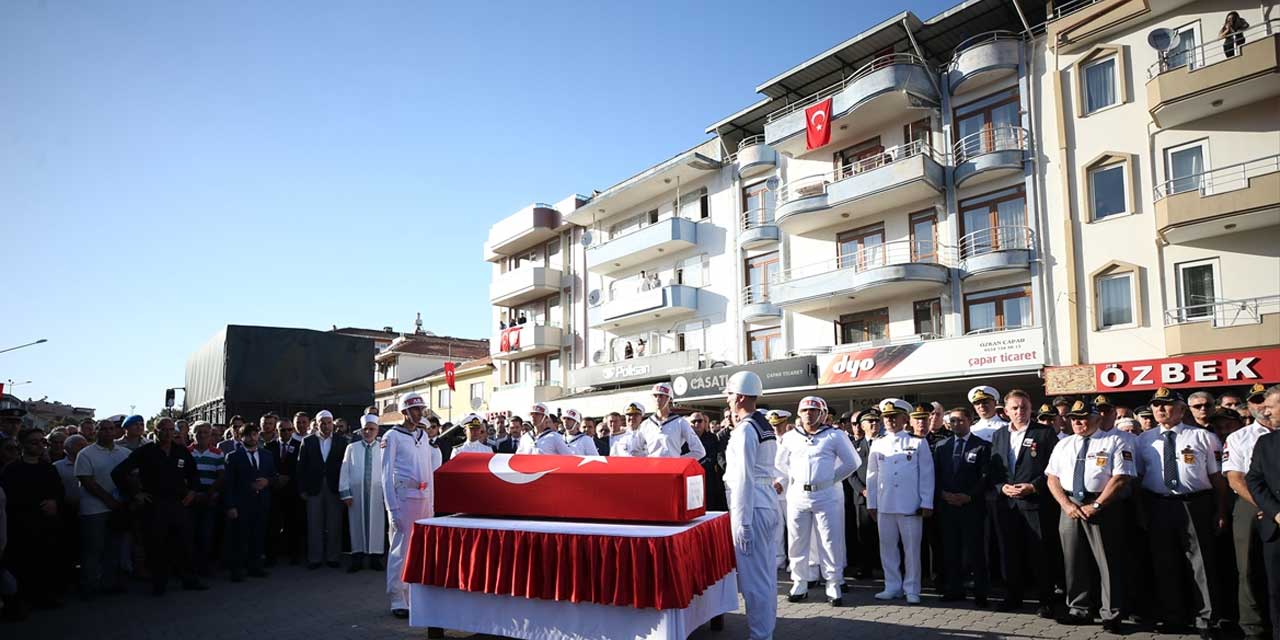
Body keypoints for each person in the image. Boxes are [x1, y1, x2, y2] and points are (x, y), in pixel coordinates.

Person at [1135, 387, 1227, 637]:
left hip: (1194, 504)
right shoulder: (1144, 440)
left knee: (1201, 564)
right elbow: (1139, 478)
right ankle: (1174, 616)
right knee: (1165, 563)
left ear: (1181, 409)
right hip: (1158, 504)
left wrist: (1221, 511)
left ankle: (1207, 618)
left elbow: (1217, 479)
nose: (1160, 409)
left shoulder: (1202, 437)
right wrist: (1142, 512)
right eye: (1156, 405)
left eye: (1166, 404)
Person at [1045, 399, 1135, 631]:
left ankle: (1111, 613)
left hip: (1104, 506)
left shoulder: (1116, 440)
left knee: (1108, 561)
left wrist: (1097, 505)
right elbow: (1052, 478)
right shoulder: (1063, 444)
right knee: (1073, 560)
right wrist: (1066, 504)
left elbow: (1121, 477)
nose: (1077, 422)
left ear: (1096, 418)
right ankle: (1079, 609)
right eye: (1073, 418)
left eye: (1083, 418)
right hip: (1071, 505)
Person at [109, 417, 207, 596]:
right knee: (156, 545)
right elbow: (118, 473)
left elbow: (193, 475)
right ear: (156, 432)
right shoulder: (145, 452)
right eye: (165, 430)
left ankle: (189, 579)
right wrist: (135, 494)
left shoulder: (181, 451)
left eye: (172, 430)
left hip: (179, 504)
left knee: (184, 543)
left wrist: (192, 492)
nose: (169, 433)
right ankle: (159, 583)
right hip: (155, 505)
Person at [776, 396, 858, 607]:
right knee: (796, 540)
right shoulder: (791, 436)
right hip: (798, 495)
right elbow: (779, 463)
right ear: (799, 413)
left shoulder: (834, 435)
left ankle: (832, 582)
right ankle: (799, 582)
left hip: (826, 495)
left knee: (830, 540)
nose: (809, 414)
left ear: (822, 414)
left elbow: (852, 462)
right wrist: (794, 478)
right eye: (805, 410)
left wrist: (831, 478)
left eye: (813, 410)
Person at [986, 389, 1059, 617]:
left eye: (1024, 407)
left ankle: (1046, 600)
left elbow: (1054, 468)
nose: (1020, 412)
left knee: (1039, 552)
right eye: (1015, 408)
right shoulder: (999, 435)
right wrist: (1001, 487)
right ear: (1006, 411)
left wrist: (1034, 486)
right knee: (1009, 552)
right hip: (1007, 504)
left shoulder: (1045, 433)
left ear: (1031, 409)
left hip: (1034, 503)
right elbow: (994, 468)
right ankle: (1013, 596)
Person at [722, 371, 780, 640]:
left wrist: (742, 523)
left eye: (730, 394)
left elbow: (743, 476)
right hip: (765, 501)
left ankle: (760, 635)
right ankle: (764, 632)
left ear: (741, 396)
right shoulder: (761, 424)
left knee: (754, 581)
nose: (728, 399)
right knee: (766, 577)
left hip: (752, 505)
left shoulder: (747, 429)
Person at [383, 392, 443, 627]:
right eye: (415, 409)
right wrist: (392, 508)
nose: (420, 413)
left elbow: (428, 469)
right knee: (400, 548)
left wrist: (433, 501)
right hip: (403, 498)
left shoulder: (422, 436)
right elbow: (387, 474)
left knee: (420, 548)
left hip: (423, 497)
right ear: (405, 412)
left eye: (421, 409)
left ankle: (413, 594)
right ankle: (397, 596)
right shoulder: (392, 436)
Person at [866, 398, 933, 604]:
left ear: (905, 418)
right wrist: (872, 504)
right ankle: (892, 586)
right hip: (885, 505)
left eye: (894, 417)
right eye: (886, 417)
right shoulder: (878, 443)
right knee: (887, 547)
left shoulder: (917, 442)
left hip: (910, 505)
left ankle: (912, 588)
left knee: (911, 549)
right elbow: (872, 475)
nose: (889, 420)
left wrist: (926, 502)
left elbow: (927, 475)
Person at [1223, 398, 1276, 640]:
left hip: (1273, 503)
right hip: (1249, 504)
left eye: (1267, 403)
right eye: (1256, 403)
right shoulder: (1238, 437)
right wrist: (1265, 505)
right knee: (1247, 567)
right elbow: (1235, 478)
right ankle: (1253, 626)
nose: (1263, 409)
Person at [0, 427, 65, 611]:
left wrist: (54, 502)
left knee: (45, 562)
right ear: (23, 445)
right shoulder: (11, 470)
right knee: (22, 562)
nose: (39, 446)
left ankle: (44, 595)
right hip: (21, 525)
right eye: (33, 442)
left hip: (46, 524)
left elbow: (59, 490)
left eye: (41, 442)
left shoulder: (48, 468)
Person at [933, 406, 990, 607]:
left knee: (975, 551)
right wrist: (942, 494)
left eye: (960, 420)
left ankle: (981, 592)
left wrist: (968, 496)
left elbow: (985, 477)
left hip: (971, 507)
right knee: (951, 550)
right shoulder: (941, 446)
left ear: (970, 421)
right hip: (948, 506)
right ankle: (954, 589)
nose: (956, 424)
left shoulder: (982, 446)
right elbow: (935, 475)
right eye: (953, 421)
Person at [75, 419, 130, 598]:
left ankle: (109, 583)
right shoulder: (85, 454)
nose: (107, 432)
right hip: (94, 510)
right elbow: (87, 481)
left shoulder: (124, 453)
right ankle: (89, 586)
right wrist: (108, 500)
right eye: (103, 429)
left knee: (113, 547)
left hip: (118, 509)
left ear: (116, 431)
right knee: (93, 549)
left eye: (111, 429)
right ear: (96, 431)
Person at [1245, 385, 1280, 638]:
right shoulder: (1265, 443)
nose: (1265, 413)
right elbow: (1254, 480)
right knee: (1277, 592)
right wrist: (1275, 512)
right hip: (1275, 528)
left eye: (1270, 407)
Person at [223, 422, 275, 582]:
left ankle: (255, 567)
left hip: (262, 502)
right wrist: (231, 506)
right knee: (239, 538)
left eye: (254, 434)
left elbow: (273, 475)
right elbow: (229, 483)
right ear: (241, 436)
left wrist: (267, 481)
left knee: (258, 536)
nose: (252, 438)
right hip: (242, 503)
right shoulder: (233, 456)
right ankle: (237, 570)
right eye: (248, 435)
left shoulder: (267, 455)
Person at [297, 409, 348, 569]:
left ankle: (333, 557)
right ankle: (315, 558)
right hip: (314, 488)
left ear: (332, 424)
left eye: (328, 423)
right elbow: (301, 467)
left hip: (334, 487)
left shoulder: (341, 441)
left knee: (334, 523)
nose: (326, 426)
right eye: (322, 423)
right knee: (314, 524)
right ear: (317, 424)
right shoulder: (308, 441)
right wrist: (302, 489)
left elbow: (346, 467)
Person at [339, 414, 386, 573]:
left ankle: (375, 558)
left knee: (377, 525)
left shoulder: (383, 448)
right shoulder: (352, 447)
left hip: (377, 493)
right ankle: (357, 557)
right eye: (365, 429)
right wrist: (346, 493)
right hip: (356, 494)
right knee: (356, 524)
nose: (368, 432)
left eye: (371, 429)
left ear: (377, 430)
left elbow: (388, 471)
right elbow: (344, 471)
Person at [186, 421, 223, 578]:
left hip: (209, 496)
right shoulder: (186, 452)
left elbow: (221, 476)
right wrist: (192, 493)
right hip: (190, 498)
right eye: (198, 432)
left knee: (206, 534)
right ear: (192, 434)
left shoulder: (218, 453)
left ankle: (204, 567)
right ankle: (189, 568)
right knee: (189, 534)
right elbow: (182, 476)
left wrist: (210, 493)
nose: (201, 435)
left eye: (205, 433)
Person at [846, 408, 880, 579]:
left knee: (884, 534)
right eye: (870, 422)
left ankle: (882, 567)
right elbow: (850, 473)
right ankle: (866, 567)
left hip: (884, 496)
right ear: (862, 425)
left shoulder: (885, 443)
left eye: (876, 421)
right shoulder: (855, 446)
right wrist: (863, 490)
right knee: (864, 534)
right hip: (862, 497)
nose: (874, 424)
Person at [641, 383, 705, 460]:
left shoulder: (680, 422)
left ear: (669, 399)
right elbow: (638, 450)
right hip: (651, 470)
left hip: (672, 470)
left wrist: (677, 462)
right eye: (655, 396)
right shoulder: (646, 424)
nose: (657, 399)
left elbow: (699, 451)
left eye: (661, 396)